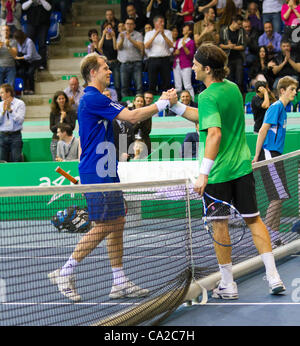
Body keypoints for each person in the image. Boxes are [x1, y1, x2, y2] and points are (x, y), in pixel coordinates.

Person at [48, 52, 173, 301]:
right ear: (93, 72)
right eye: (105, 67)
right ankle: (65, 271)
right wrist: (163, 103)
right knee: (105, 224)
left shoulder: (98, 99)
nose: (109, 71)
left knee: (118, 222)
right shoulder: (92, 98)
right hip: (96, 170)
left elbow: (94, 134)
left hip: (105, 168)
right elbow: (133, 116)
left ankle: (119, 282)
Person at [166, 42, 286, 299]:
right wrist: (175, 106)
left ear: (207, 69)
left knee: (219, 225)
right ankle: (274, 276)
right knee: (255, 220)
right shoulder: (232, 89)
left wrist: (203, 174)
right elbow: (207, 116)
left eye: (196, 63)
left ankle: (229, 285)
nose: (193, 66)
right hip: (242, 168)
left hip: (218, 175)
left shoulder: (208, 95)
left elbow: (214, 133)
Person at [252, 76, 298, 247]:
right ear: (282, 91)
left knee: (280, 196)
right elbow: (263, 130)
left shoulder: (284, 110)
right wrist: (257, 157)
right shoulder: (276, 107)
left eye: (295, 89)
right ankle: (265, 236)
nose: (295, 92)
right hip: (269, 153)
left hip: (276, 155)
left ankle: (275, 236)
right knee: (277, 197)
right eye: (292, 89)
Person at [144, 15, 173, 95]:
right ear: (155, 23)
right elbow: (146, 46)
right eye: (160, 22)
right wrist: (155, 34)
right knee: (152, 81)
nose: (162, 23)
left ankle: (167, 98)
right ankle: (151, 99)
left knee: (166, 81)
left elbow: (171, 45)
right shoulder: (149, 33)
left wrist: (163, 35)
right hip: (153, 60)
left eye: (163, 22)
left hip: (165, 59)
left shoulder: (168, 32)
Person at [20, 0, 52, 71]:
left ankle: (41, 64)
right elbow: (23, 7)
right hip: (31, 23)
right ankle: (28, 63)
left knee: (42, 44)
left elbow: (49, 8)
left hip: (44, 23)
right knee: (29, 43)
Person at [117, 17, 144, 98]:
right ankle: (126, 104)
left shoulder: (138, 35)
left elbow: (140, 47)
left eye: (131, 24)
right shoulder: (121, 34)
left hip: (136, 63)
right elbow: (118, 47)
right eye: (127, 24)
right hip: (124, 64)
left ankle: (139, 103)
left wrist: (130, 39)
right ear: (125, 25)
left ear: (134, 25)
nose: (129, 25)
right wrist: (122, 39)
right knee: (124, 87)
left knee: (139, 86)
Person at [219, 15, 246, 93]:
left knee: (239, 80)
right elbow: (220, 45)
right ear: (233, 22)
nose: (240, 26)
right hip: (227, 58)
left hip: (238, 57)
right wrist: (228, 46)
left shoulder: (241, 31)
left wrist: (233, 47)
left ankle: (240, 98)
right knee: (229, 80)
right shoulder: (223, 30)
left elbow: (243, 46)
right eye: (239, 24)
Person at [0, 83, 25, 162]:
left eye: (2, 92)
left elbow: (20, 120)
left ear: (8, 93)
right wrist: (3, 112)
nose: (0, 95)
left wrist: (10, 111)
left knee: (16, 160)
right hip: (2, 136)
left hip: (15, 136)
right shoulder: (0, 105)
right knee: (1, 162)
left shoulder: (20, 104)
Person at [49, 91, 76, 161]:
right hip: (56, 140)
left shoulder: (71, 111)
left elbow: (72, 127)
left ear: (66, 99)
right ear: (56, 100)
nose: (61, 100)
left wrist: (65, 119)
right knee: (57, 163)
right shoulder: (53, 112)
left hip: (68, 141)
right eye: (59, 99)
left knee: (69, 161)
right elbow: (52, 128)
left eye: (63, 98)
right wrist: (61, 120)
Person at [14, 29, 41, 95]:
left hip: (34, 60)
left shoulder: (29, 42)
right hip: (25, 61)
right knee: (21, 72)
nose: (17, 41)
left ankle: (32, 89)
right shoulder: (17, 43)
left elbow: (30, 56)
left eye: (18, 39)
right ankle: (24, 88)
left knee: (30, 73)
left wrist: (19, 57)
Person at [173, 23, 196, 100]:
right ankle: (178, 101)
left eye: (185, 28)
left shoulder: (191, 42)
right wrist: (175, 53)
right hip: (176, 64)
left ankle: (192, 100)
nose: (183, 29)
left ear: (189, 31)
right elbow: (174, 52)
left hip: (186, 65)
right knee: (178, 86)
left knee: (187, 85)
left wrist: (185, 47)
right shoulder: (178, 40)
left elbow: (191, 56)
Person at [98, 22, 121, 101]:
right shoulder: (103, 38)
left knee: (117, 83)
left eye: (110, 28)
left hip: (115, 62)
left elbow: (115, 48)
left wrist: (113, 36)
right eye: (106, 28)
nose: (108, 30)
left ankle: (118, 99)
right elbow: (99, 47)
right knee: (105, 82)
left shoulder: (115, 37)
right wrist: (103, 35)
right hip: (106, 63)